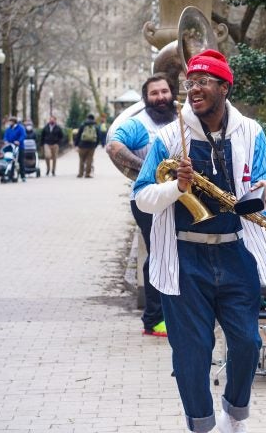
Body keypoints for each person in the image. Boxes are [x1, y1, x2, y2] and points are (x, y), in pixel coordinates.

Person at [133, 49, 266, 433]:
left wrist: (265, 192)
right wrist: (176, 187)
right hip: (185, 257)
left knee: (248, 343)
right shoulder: (169, 136)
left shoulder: (251, 131)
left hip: (236, 250)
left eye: (202, 83)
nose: (193, 89)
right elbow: (142, 196)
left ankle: (235, 412)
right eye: (190, 83)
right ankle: (201, 424)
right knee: (192, 352)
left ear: (224, 87)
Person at [106, 73, 178, 338]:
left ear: (172, 93)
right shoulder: (138, 125)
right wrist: (149, 169)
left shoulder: (182, 120)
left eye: (164, 92)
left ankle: (176, 313)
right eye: (154, 94)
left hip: (178, 198)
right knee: (158, 254)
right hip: (147, 200)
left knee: (177, 255)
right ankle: (154, 319)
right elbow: (114, 148)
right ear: (146, 99)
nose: (160, 98)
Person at [73, 113, 100, 178]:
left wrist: (76, 144)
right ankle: (87, 174)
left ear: (87, 118)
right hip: (91, 146)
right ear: (93, 118)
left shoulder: (83, 125)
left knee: (81, 159)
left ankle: (80, 174)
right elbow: (98, 137)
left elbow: (78, 135)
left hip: (82, 145)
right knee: (89, 160)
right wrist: (95, 145)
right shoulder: (95, 126)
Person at [3, 116, 26, 182]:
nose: (9, 123)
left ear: (14, 122)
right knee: (11, 161)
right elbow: (5, 136)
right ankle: (11, 176)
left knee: (21, 161)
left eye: (10, 121)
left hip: (19, 147)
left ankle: (23, 176)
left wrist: (19, 141)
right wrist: (5, 141)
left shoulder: (20, 128)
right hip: (11, 147)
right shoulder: (8, 129)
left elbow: (23, 135)